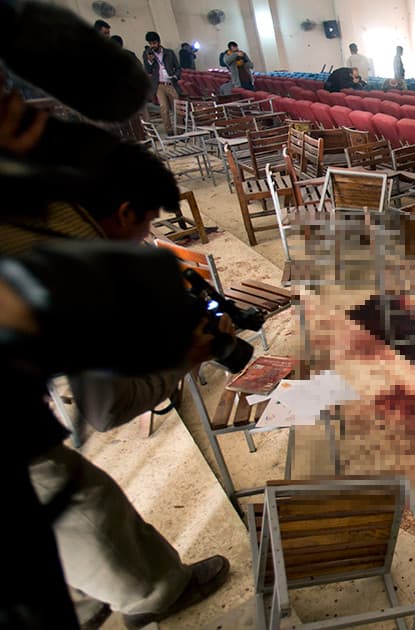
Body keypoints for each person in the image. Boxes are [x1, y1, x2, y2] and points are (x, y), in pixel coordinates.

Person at [0, 132, 233, 630]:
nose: (148, 236)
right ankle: (152, 593)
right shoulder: (78, 263)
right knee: (75, 495)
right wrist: (184, 360)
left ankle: (84, 600)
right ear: (125, 212)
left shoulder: (35, 205)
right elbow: (105, 410)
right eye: (149, 221)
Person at [142, 31, 181, 135]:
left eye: (154, 43)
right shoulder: (147, 54)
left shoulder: (169, 53)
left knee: (178, 107)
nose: (152, 46)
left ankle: (181, 129)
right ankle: (169, 130)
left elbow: (178, 67)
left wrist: (176, 76)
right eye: (150, 44)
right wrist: (150, 61)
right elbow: (147, 70)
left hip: (171, 83)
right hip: (159, 85)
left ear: (158, 42)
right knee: (164, 108)